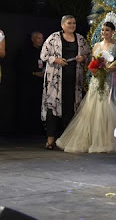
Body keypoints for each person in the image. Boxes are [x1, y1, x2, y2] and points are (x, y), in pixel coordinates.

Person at [56, 19, 116, 153]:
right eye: (103, 30)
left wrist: (107, 70)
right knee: (91, 106)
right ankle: (89, 139)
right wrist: (95, 69)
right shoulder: (96, 46)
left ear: (113, 32)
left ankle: (105, 140)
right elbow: (92, 62)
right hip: (96, 79)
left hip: (108, 79)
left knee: (106, 106)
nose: (104, 32)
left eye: (107, 30)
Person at [41, 15, 90, 149]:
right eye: (69, 23)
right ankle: (50, 140)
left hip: (74, 80)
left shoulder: (80, 39)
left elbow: (89, 56)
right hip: (55, 81)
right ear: (62, 25)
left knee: (70, 109)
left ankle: (67, 140)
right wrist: (56, 60)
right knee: (53, 108)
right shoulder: (54, 37)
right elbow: (43, 55)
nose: (72, 25)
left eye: (74, 23)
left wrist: (83, 58)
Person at [17, 31, 45, 135]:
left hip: (39, 85)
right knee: (25, 106)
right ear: (32, 39)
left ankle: (37, 129)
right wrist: (33, 73)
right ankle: (23, 130)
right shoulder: (25, 51)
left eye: (42, 38)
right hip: (27, 84)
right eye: (38, 38)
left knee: (37, 106)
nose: (40, 41)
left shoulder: (43, 53)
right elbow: (20, 66)